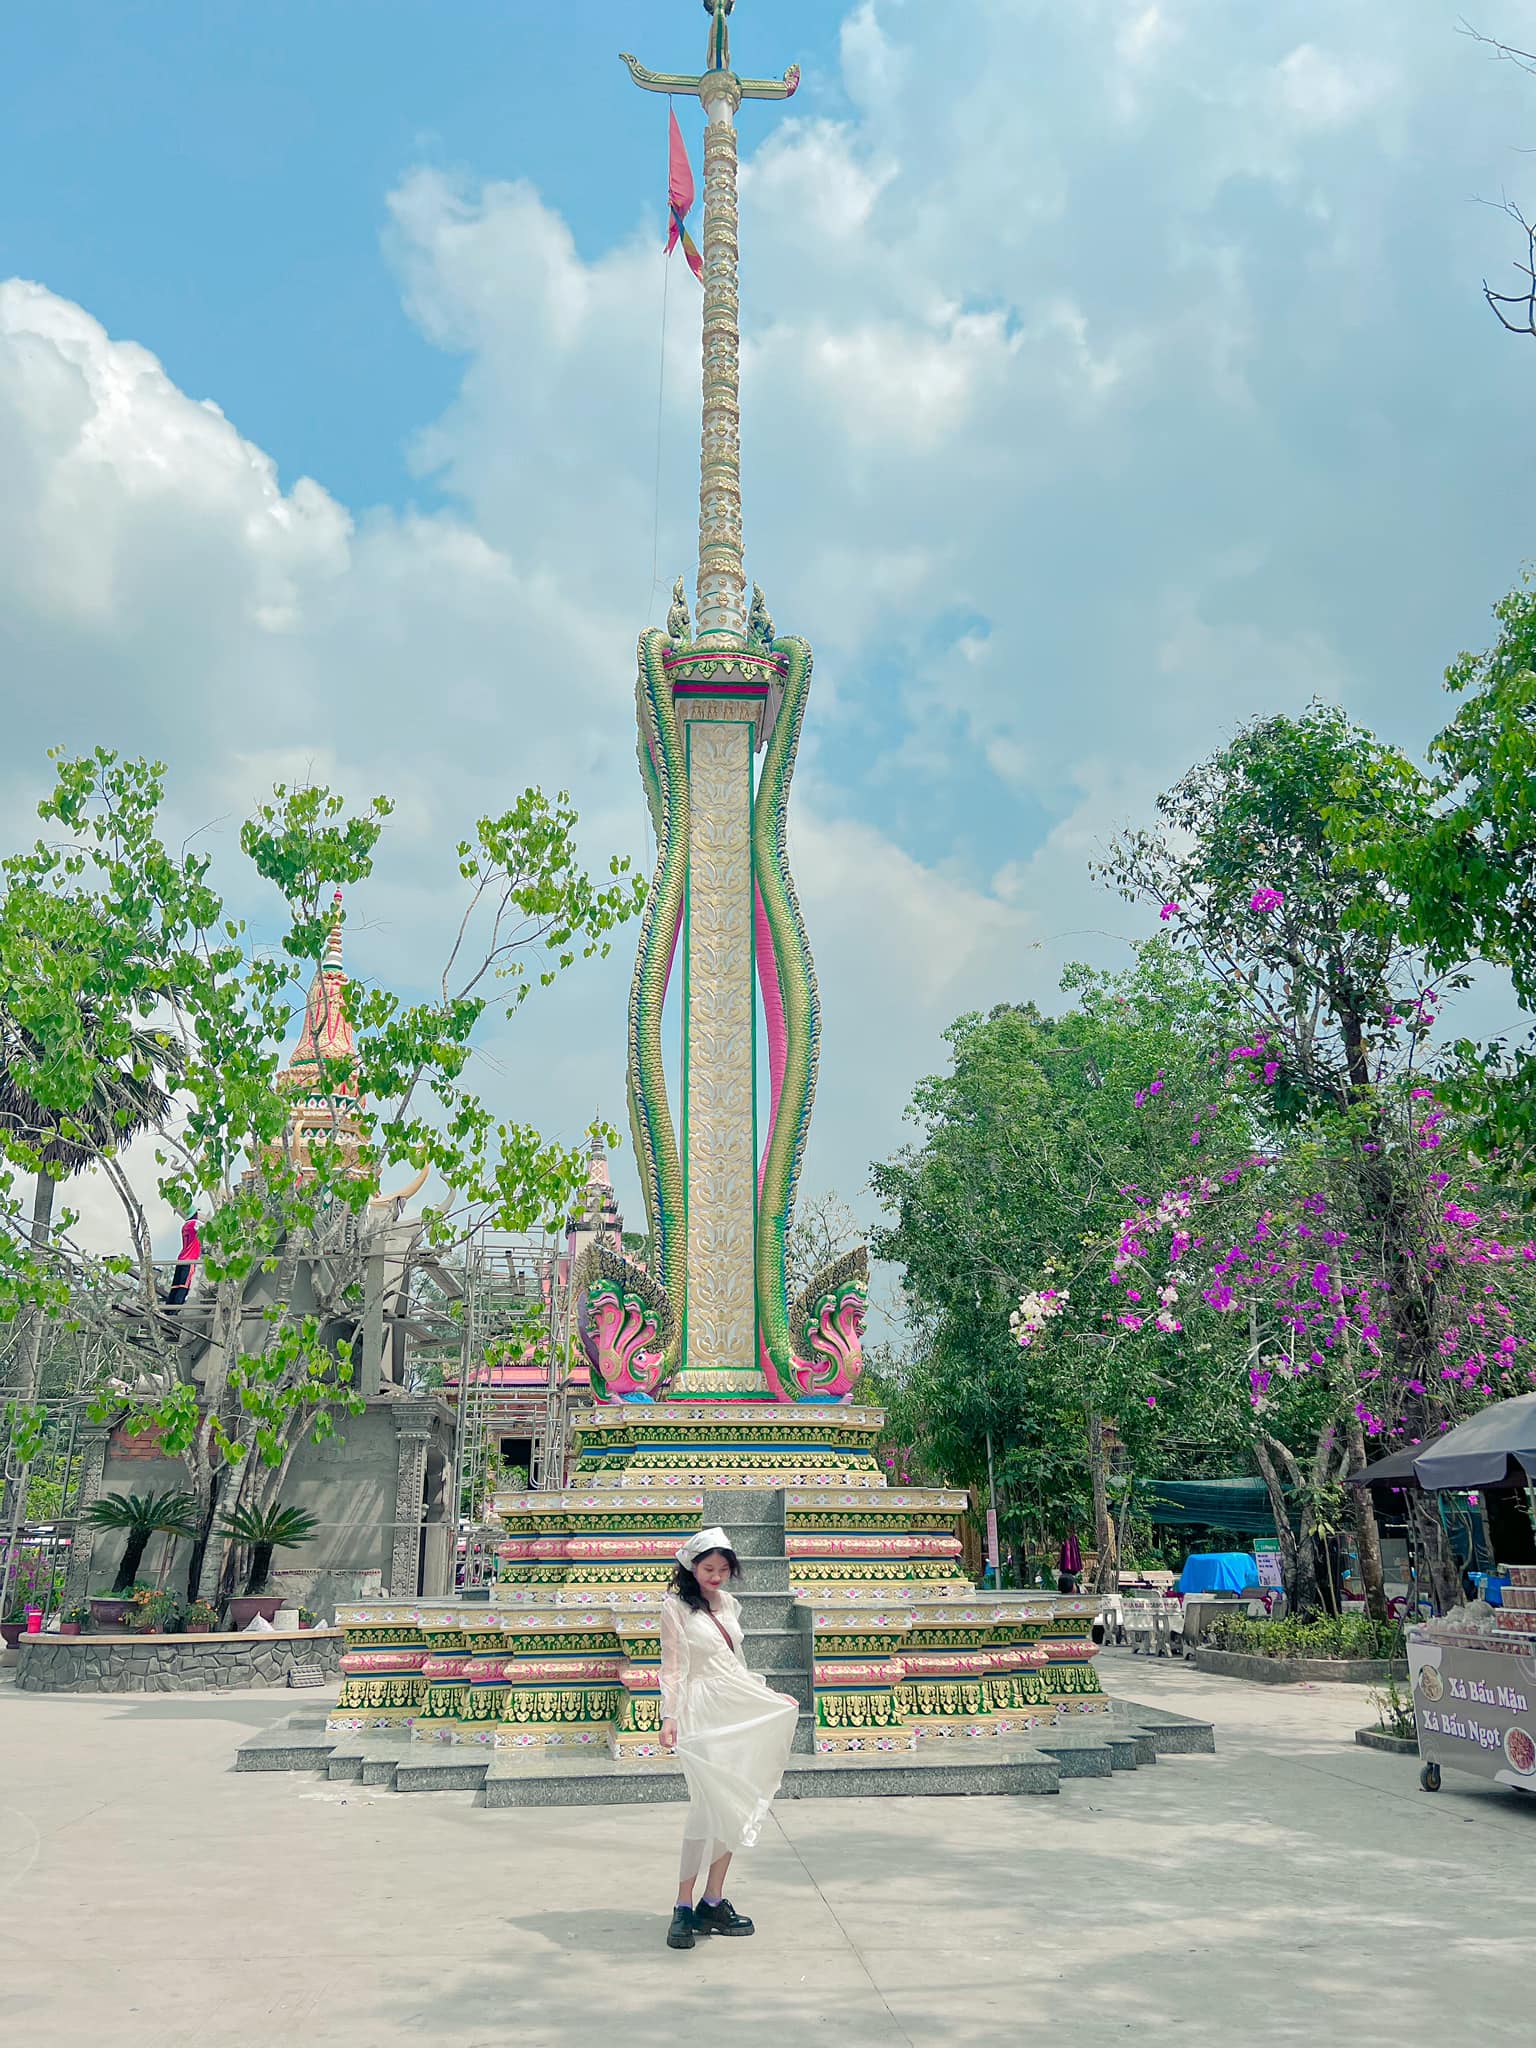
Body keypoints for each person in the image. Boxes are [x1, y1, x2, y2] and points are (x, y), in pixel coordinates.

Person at [659, 1526, 798, 1952]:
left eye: (723, 1569)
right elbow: (673, 1667)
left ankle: (712, 1900)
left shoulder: (730, 1604)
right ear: (692, 1568)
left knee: (732, 1805)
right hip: (700, 1713)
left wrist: (768, 1696)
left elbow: (735, 1663)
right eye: (708, 1569)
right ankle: (683, 1904)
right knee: (705, 1806)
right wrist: (669, 1716)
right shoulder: (675, 1608)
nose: (716, 1576)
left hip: (735, 1706)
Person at [166, 1210, 201, 1306]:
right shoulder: (195, 1224)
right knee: (184, 1286)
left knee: (176, 1285)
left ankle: (168, 1307)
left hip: (182, 1258)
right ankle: (175, 1309)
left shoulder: (184, 1226)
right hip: (190, 1259)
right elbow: (209, 1227)